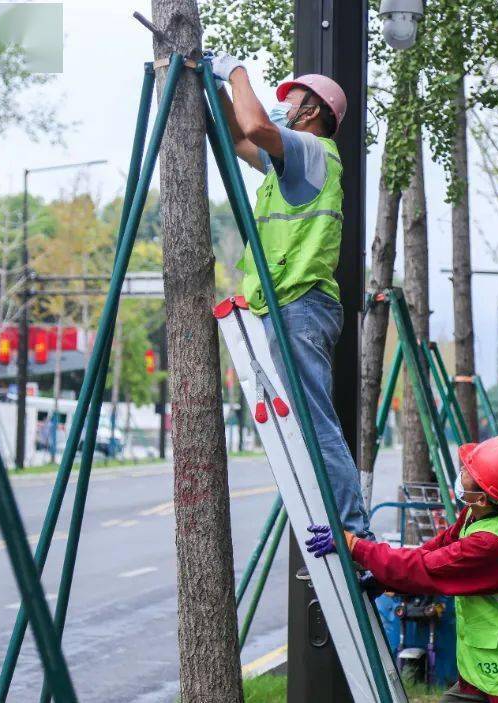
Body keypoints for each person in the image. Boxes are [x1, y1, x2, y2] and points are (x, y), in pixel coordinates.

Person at [210, 53, 371, 539]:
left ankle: (353, 533)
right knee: (307, 423)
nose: (285, 108)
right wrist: (209, 85)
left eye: (292, 100)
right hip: (289, 304)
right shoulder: (290, 164)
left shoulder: (313, 151)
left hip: (300, 305)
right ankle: (347, 526)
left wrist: (236, 71)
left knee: (315, 423)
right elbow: (237, 137)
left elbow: (255, 127)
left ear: (314, 111)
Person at [306, 436, 498, 703]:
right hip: (493, 671)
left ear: (482, 497)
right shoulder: (488, 512)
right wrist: (386, 580)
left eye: (469, 472)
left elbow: (427, 569)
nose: (463, 472)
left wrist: (354, 545)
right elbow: (436, 551)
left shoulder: (492, 545)